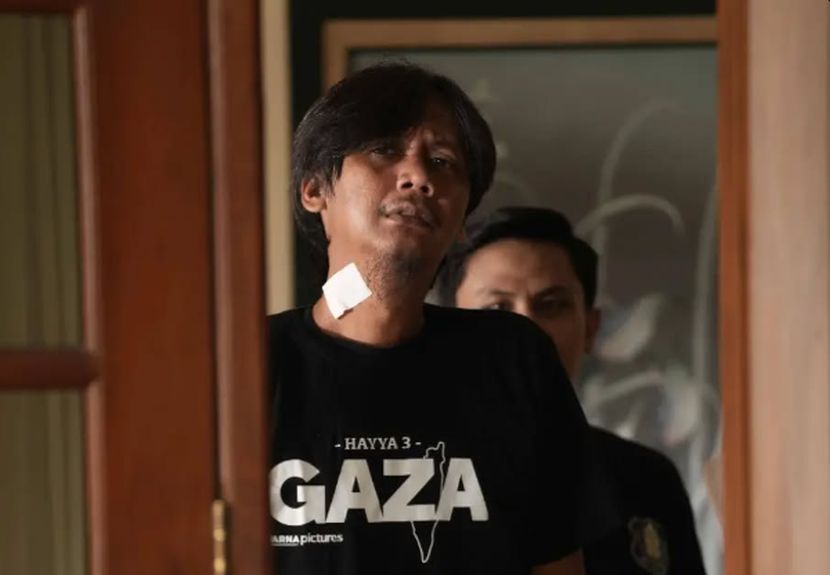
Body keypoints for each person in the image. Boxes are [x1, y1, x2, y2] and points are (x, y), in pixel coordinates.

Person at [267, 63, 615, 575]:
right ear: (314, 189)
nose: (419, 177)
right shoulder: (255, 365)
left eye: (442, 161)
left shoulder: (512, 359)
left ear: (462, 221)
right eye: (385, 150)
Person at [438, 206, 708, 575]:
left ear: (591, 329)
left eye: (551, 306)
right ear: (452, 333)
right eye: (498, 307)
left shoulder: (646, 479)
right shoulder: (416, 477)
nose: (528, 329)